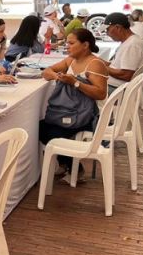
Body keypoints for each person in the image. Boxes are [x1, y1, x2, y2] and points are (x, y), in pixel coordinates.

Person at [39, 29, 109, 178]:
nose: (67, 46)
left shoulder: (95, 64)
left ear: (85, 45)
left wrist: (75, 83)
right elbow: (46, 71)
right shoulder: (71, 60)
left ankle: (72, 167)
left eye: (71, 43)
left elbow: (100, 93)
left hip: (88, 115)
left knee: (48, 131)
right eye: (66, 43)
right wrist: (55, 76)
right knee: (41, 127)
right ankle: (68, 165)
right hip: (71, 111)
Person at [104, 12, 143, 94]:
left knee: (77, 88)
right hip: (116, 86)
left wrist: (101, 67)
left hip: (118, 90)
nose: (107, 33)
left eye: (108, 29)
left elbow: (126, 75)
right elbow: (117, 65)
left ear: (118, 28)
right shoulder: (129, 42)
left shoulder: (132, 45)